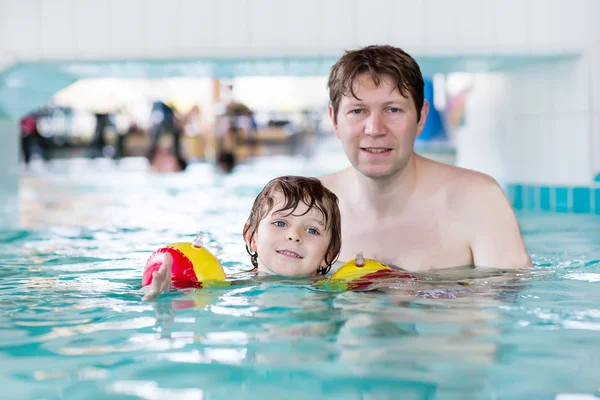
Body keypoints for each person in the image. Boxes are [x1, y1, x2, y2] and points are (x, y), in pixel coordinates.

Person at [320, 45, 532, 271]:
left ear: (421, 117)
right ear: (334, 120)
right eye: (357, 111)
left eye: (393, 110)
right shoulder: (308, 207)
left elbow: (505, 299)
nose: (374, 129)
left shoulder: (479, 200)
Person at [142, 175, 342, 300]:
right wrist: (165, 292)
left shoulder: (338, 288)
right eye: (280, 223)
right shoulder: (233, 285)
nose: (294, 236)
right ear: (251, 237)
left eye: (312, 230)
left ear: (329, 253)